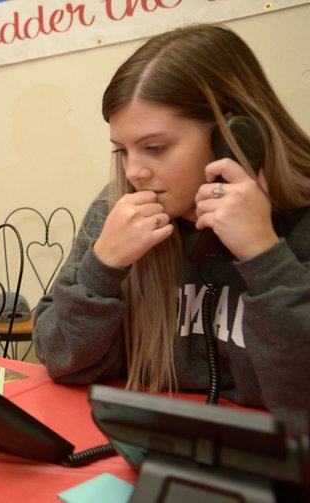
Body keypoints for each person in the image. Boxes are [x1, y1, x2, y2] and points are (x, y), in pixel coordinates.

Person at [33, 24, 310, 436]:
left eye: (156, 148)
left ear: (233, 137)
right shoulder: (116, 210)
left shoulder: (299, 220)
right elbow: (59, 358)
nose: (134, 172)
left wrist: (263, 256)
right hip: (154, 449)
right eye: (122, 150)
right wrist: (102, 266)